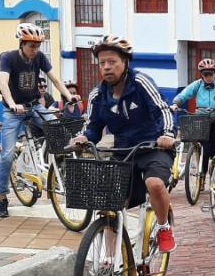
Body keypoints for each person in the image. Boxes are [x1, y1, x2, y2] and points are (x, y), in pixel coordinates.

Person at [71, 35, 176, 251]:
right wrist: (83, 138)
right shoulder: (98, 95)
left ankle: (164, 227)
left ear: (125, 62)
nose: (107, 67)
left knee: (154, 184)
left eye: (112, 62)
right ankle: (109, 260)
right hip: (123, 152)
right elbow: (93, 127)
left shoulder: (140, 83)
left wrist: (167, 134)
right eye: (102, 63)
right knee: (110, 205)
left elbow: (162, 109)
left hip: (153, 147)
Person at [0, 23, 80, 217]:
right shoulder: (8, 58)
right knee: (7, 155)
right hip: (13, 111)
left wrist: (68, 96)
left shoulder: (39, 58)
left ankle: (54, 168)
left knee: (60, 132)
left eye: (38, 46)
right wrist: (11, 103)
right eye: (31, 46)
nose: (35, 50)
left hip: (34, 106)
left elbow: (55, 80)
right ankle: (2, 197)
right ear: (22, 43)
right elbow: (3, 83)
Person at [170, 58, 215, 181]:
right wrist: (176, 103)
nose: (209, 76)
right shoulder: (197, 84)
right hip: (201, 120)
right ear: (202, 75)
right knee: (204, 149)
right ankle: (202, 176)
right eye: (206, 74)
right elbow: (184, 94)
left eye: (211, 74)